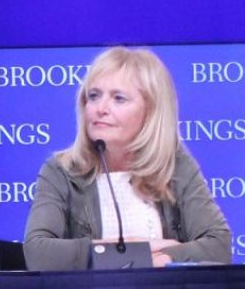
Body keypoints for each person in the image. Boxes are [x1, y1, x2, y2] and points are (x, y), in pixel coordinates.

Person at [24, 47, 231, 270]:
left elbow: (219, 246)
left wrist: (168, 256)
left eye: (118, 99)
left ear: (151, 112)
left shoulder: (174, 165)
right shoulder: (62, 170)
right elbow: (38, 253)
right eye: (93, 96)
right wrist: (131, 252)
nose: (100, 109)